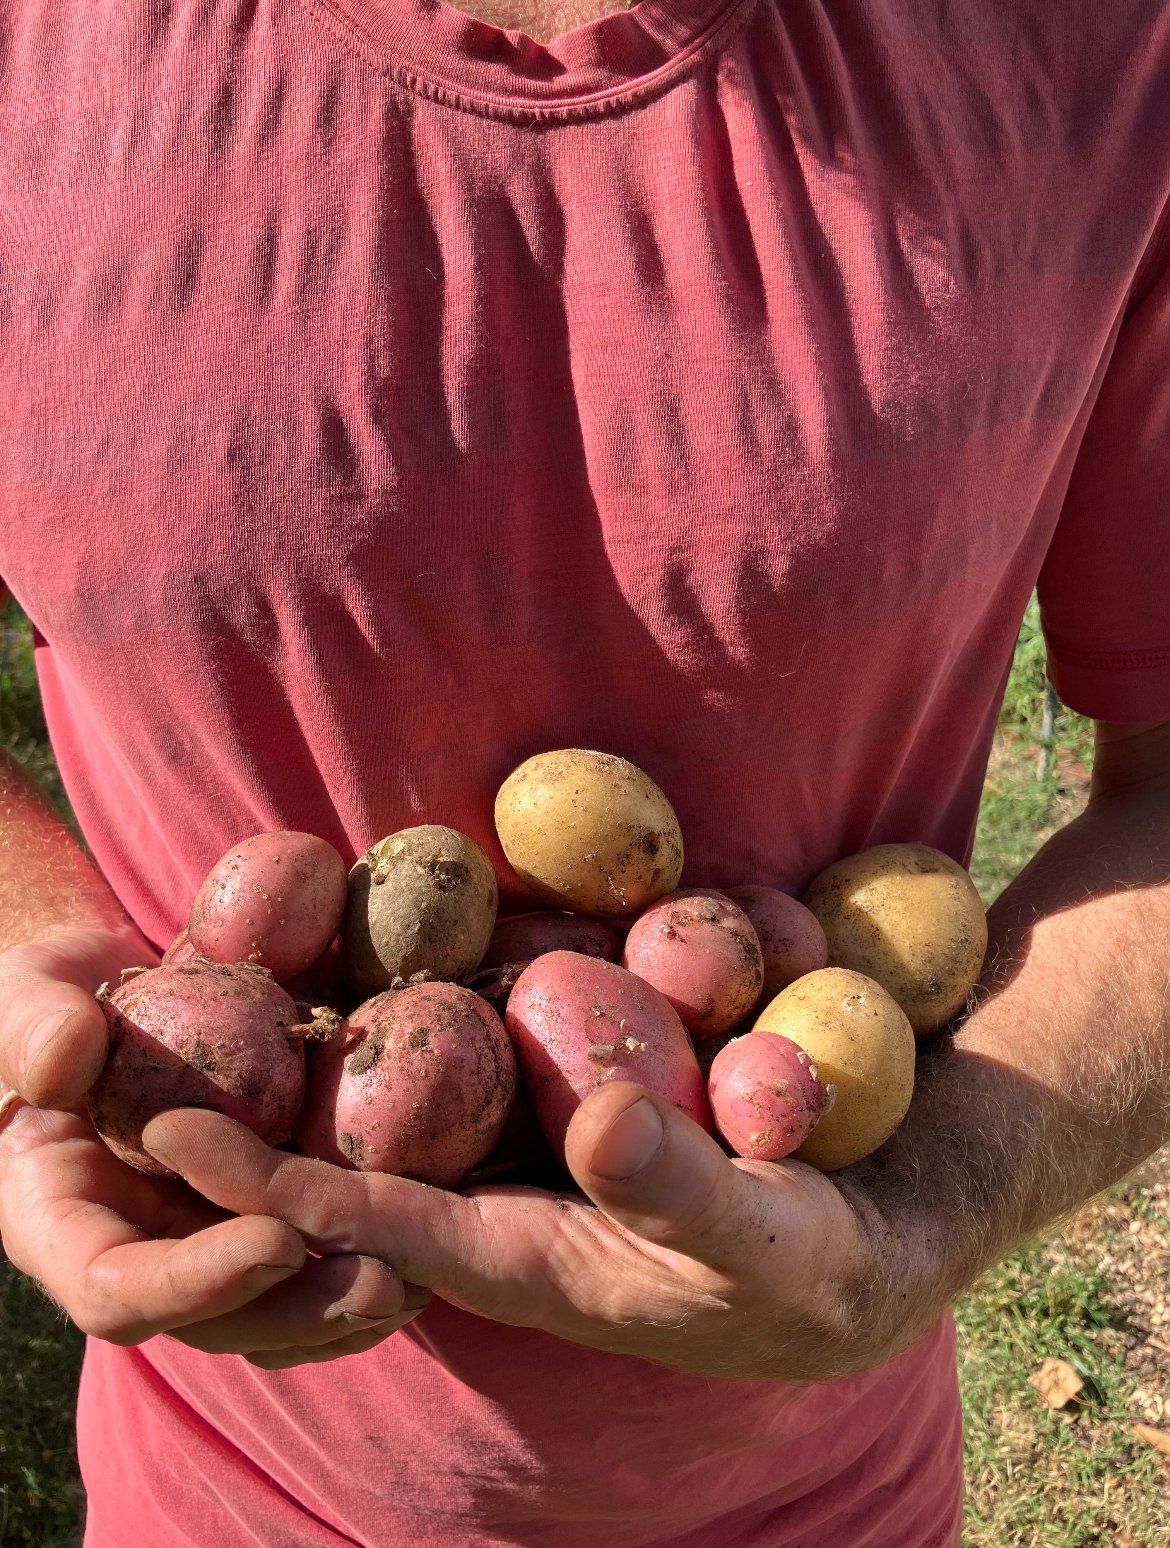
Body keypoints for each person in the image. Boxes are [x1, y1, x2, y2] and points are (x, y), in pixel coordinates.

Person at [0, 0, 1167, 1543]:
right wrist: (29, 953)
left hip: (826, 1490)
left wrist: (921, 1214)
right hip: (220, 1485)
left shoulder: (1108, 53)